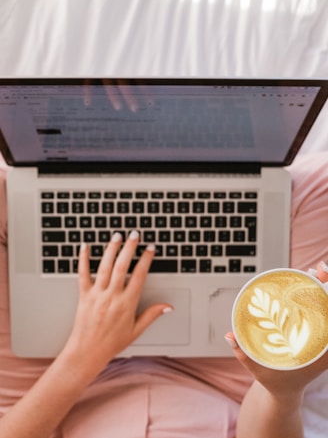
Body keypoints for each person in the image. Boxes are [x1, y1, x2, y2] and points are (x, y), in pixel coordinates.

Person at [0, 151, 327, 438]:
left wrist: (84, 355)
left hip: (61, 390)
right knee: (317, 185)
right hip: (224, 386)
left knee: (12, 194)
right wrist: (282, 391)